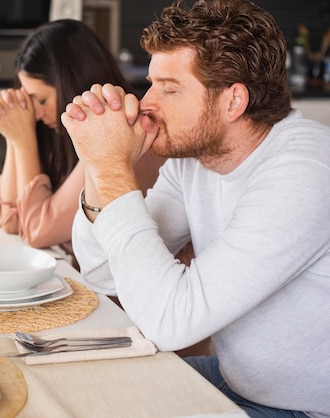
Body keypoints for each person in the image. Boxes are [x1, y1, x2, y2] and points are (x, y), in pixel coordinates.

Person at [61, 0, 330, 417]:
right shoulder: (194, 162)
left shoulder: (305, 171)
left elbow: (170, 322)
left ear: (233, 101)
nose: (147, 102)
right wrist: (98, 164)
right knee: (79, 393)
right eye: (151, 84)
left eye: (169, 88)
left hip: (303, 407)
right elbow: (103, 272)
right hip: (240, 379)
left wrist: (114, 168)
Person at [0, 19, 140, 257]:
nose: (35, 114)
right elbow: (12, 222)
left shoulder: (117, 127)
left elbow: (38, 232)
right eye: (30, 100)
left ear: (74, 82)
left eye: (42, 100)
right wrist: (13, 134)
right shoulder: (56, 133)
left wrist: (22, 140)